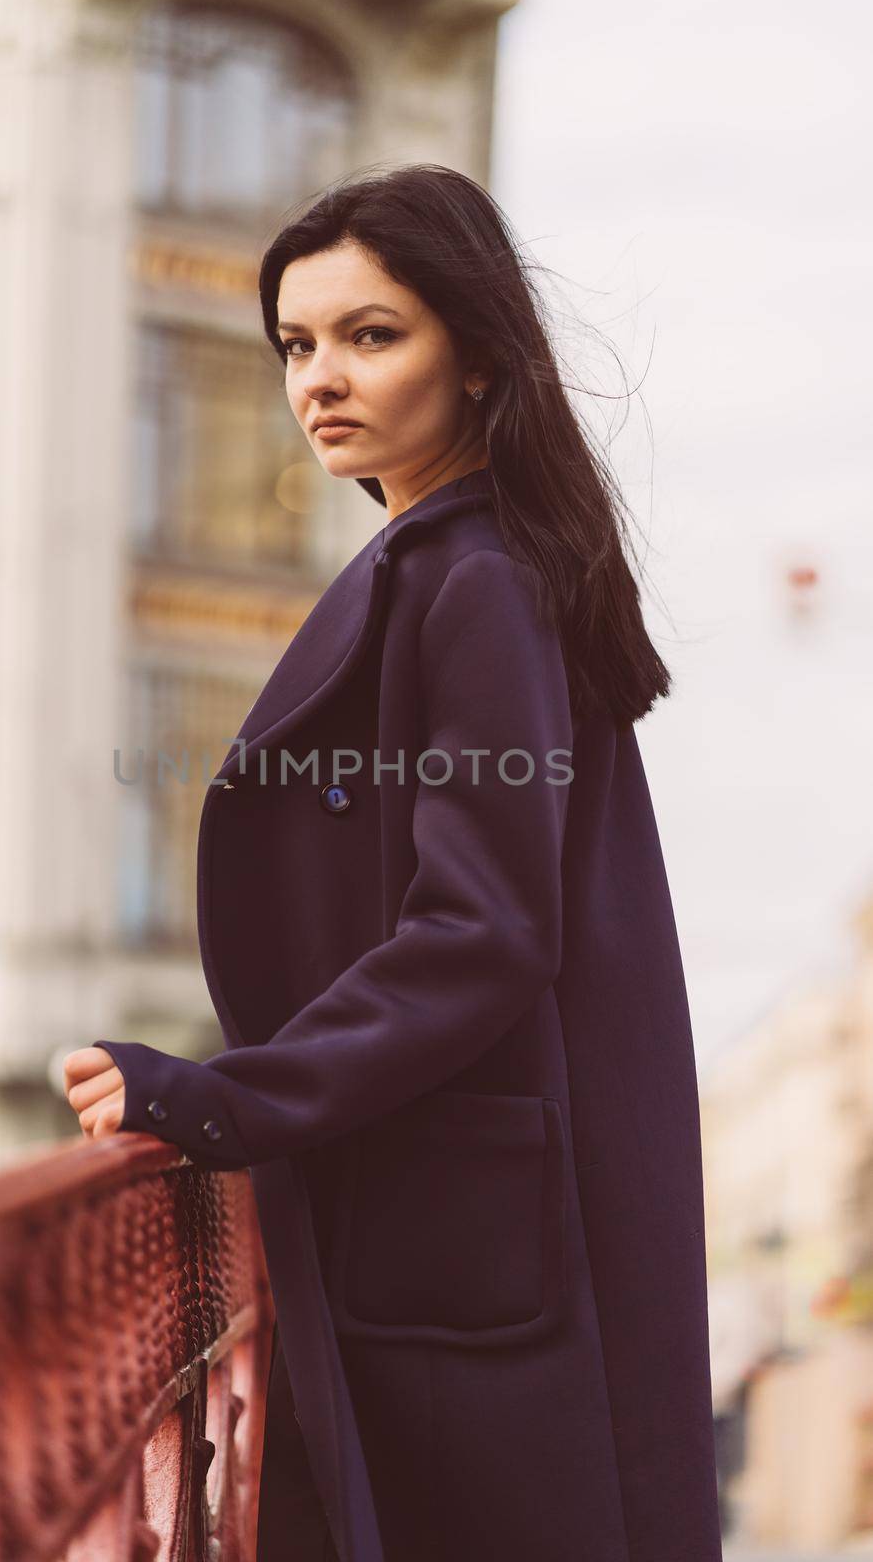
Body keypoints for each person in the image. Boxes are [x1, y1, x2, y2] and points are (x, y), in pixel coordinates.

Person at [64, 164, 722, 1562]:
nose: (320, 381)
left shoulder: (476, 576)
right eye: (297, 345)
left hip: (472, 1240)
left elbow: (483, 930)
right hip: (457, 1216)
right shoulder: (466, 563)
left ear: (479, 356)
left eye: (372, 335)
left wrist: (222, 1098)